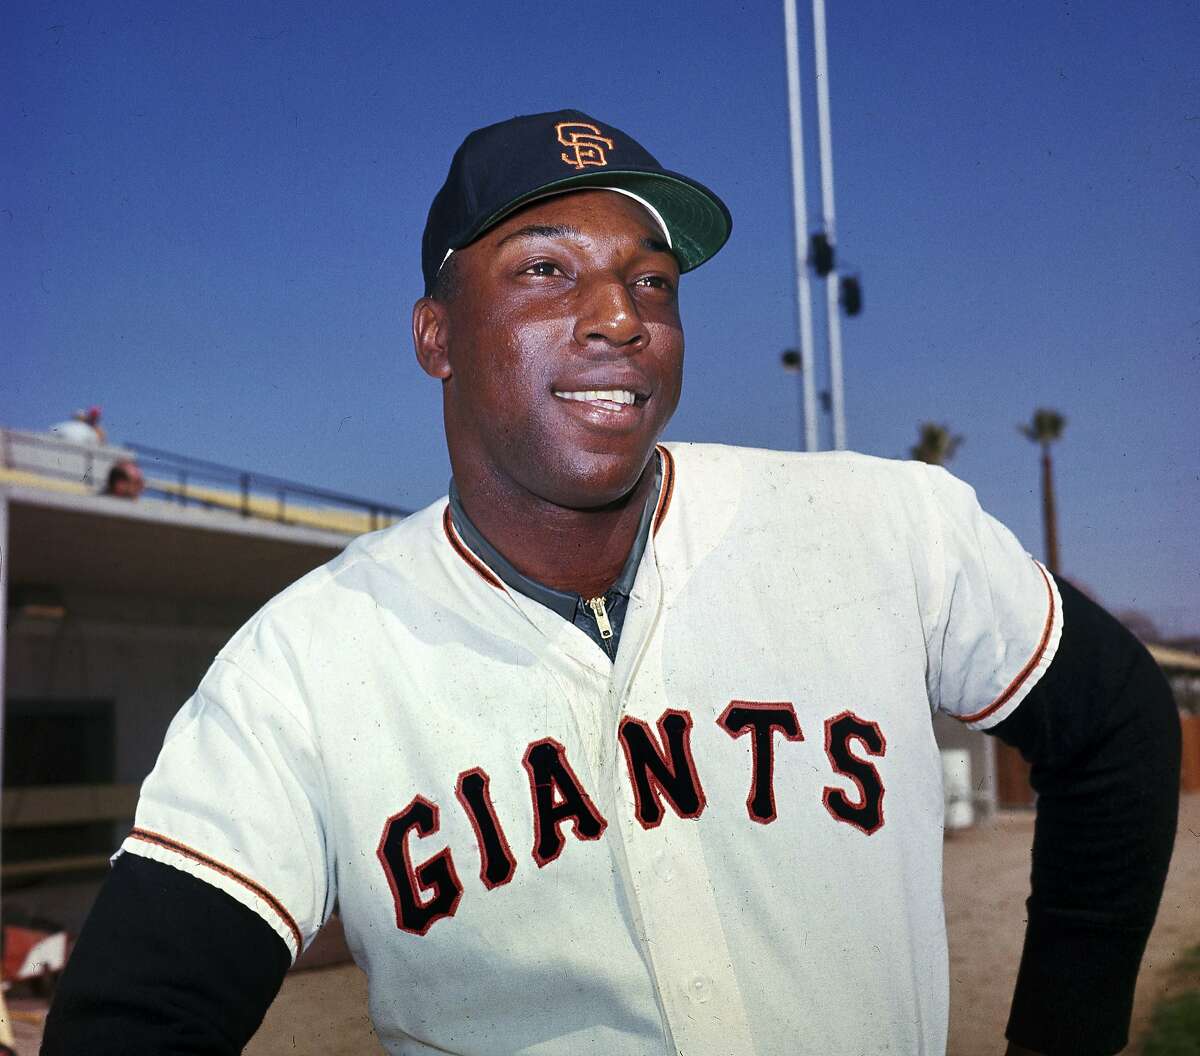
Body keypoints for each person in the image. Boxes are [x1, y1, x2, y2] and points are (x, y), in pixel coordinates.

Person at [44, 110, 1179, 1056]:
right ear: (436, 336)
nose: (622, 316)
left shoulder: (880, 521)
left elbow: (1120, 723)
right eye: (546, 269)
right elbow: (140, 1015)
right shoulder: (300, 665)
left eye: (653, 280)